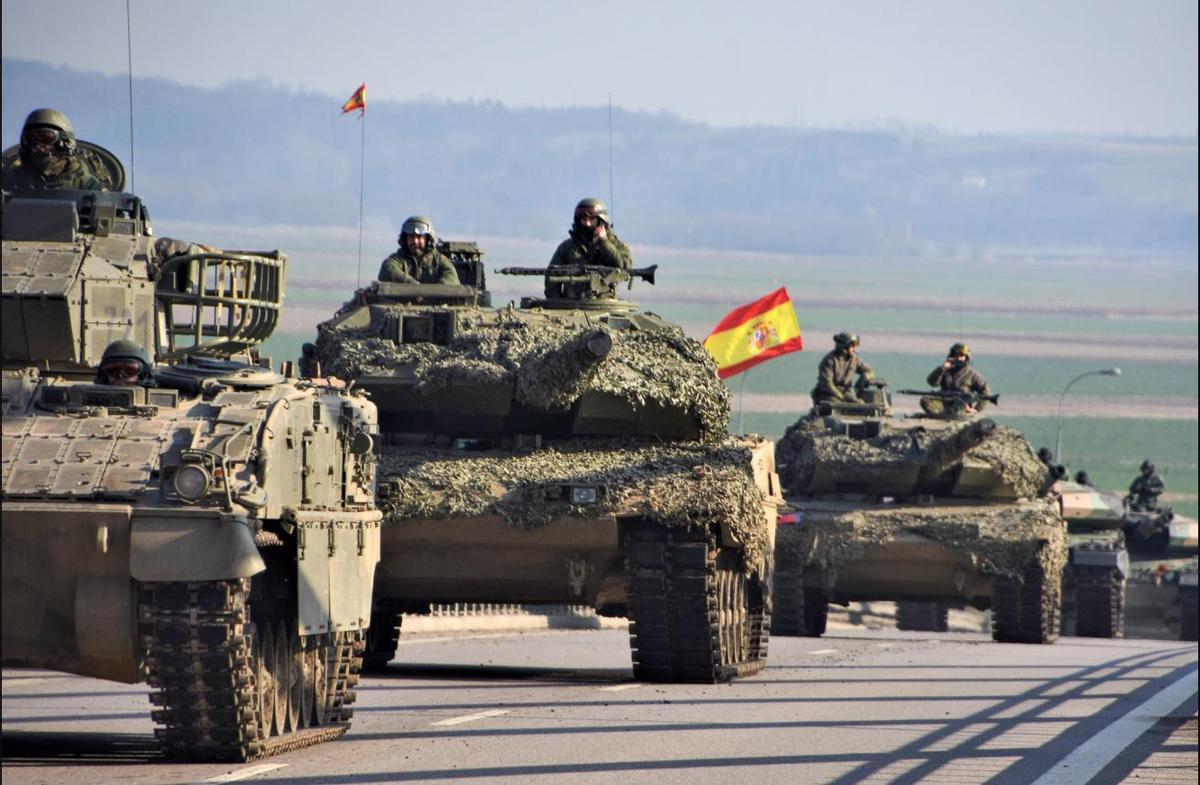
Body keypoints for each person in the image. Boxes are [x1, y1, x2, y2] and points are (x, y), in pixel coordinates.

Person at [546, 198, 632, 299]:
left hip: (605, 303)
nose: (587, 224)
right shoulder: (567, 247)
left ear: (601, 221)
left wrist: (604, 242)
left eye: (592, 219)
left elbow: (624, 266)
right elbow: (551, 277)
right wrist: (557, 302)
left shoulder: (617, 246)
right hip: (571, 305)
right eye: (583, 219)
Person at [2, 108, 103, 190]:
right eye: (31, 140)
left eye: (46, 138)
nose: (38, 147)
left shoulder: (87, 185)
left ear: (65, 143)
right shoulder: (12, 179)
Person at [377, 216, 459, 285]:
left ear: (428, 239)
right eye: (411, 237)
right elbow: (387, 270)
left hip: (435, 303)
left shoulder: (439, 261)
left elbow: (451, 279)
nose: (415, 241)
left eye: (419, 237)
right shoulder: (398, 259)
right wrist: (412, 285)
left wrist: (433, 293)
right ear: (405, 239)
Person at [923, 342, 991, 414]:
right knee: (925, 400)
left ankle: (954, 414)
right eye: (956, 355)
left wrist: (976, 409)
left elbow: (986, 393)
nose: (959, 358)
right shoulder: (945, 370)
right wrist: (942, 368)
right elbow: (932, 382)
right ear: (952, 356)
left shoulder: (972, 375)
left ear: (966, 357)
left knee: (959, 408)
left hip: (961, 405)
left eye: (962, 356)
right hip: (944, 403)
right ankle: (943, 414)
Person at [811, 332, 874, 407]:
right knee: (839, 406)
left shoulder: (854, 359)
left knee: (862, 405)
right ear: (844, 347)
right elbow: (826, 384)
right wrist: (841, 396)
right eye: (852, 346)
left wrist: (866, 377)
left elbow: (870, 371)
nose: (853, 349)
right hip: (829, 394)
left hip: (846, 393)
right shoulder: (829, 360)